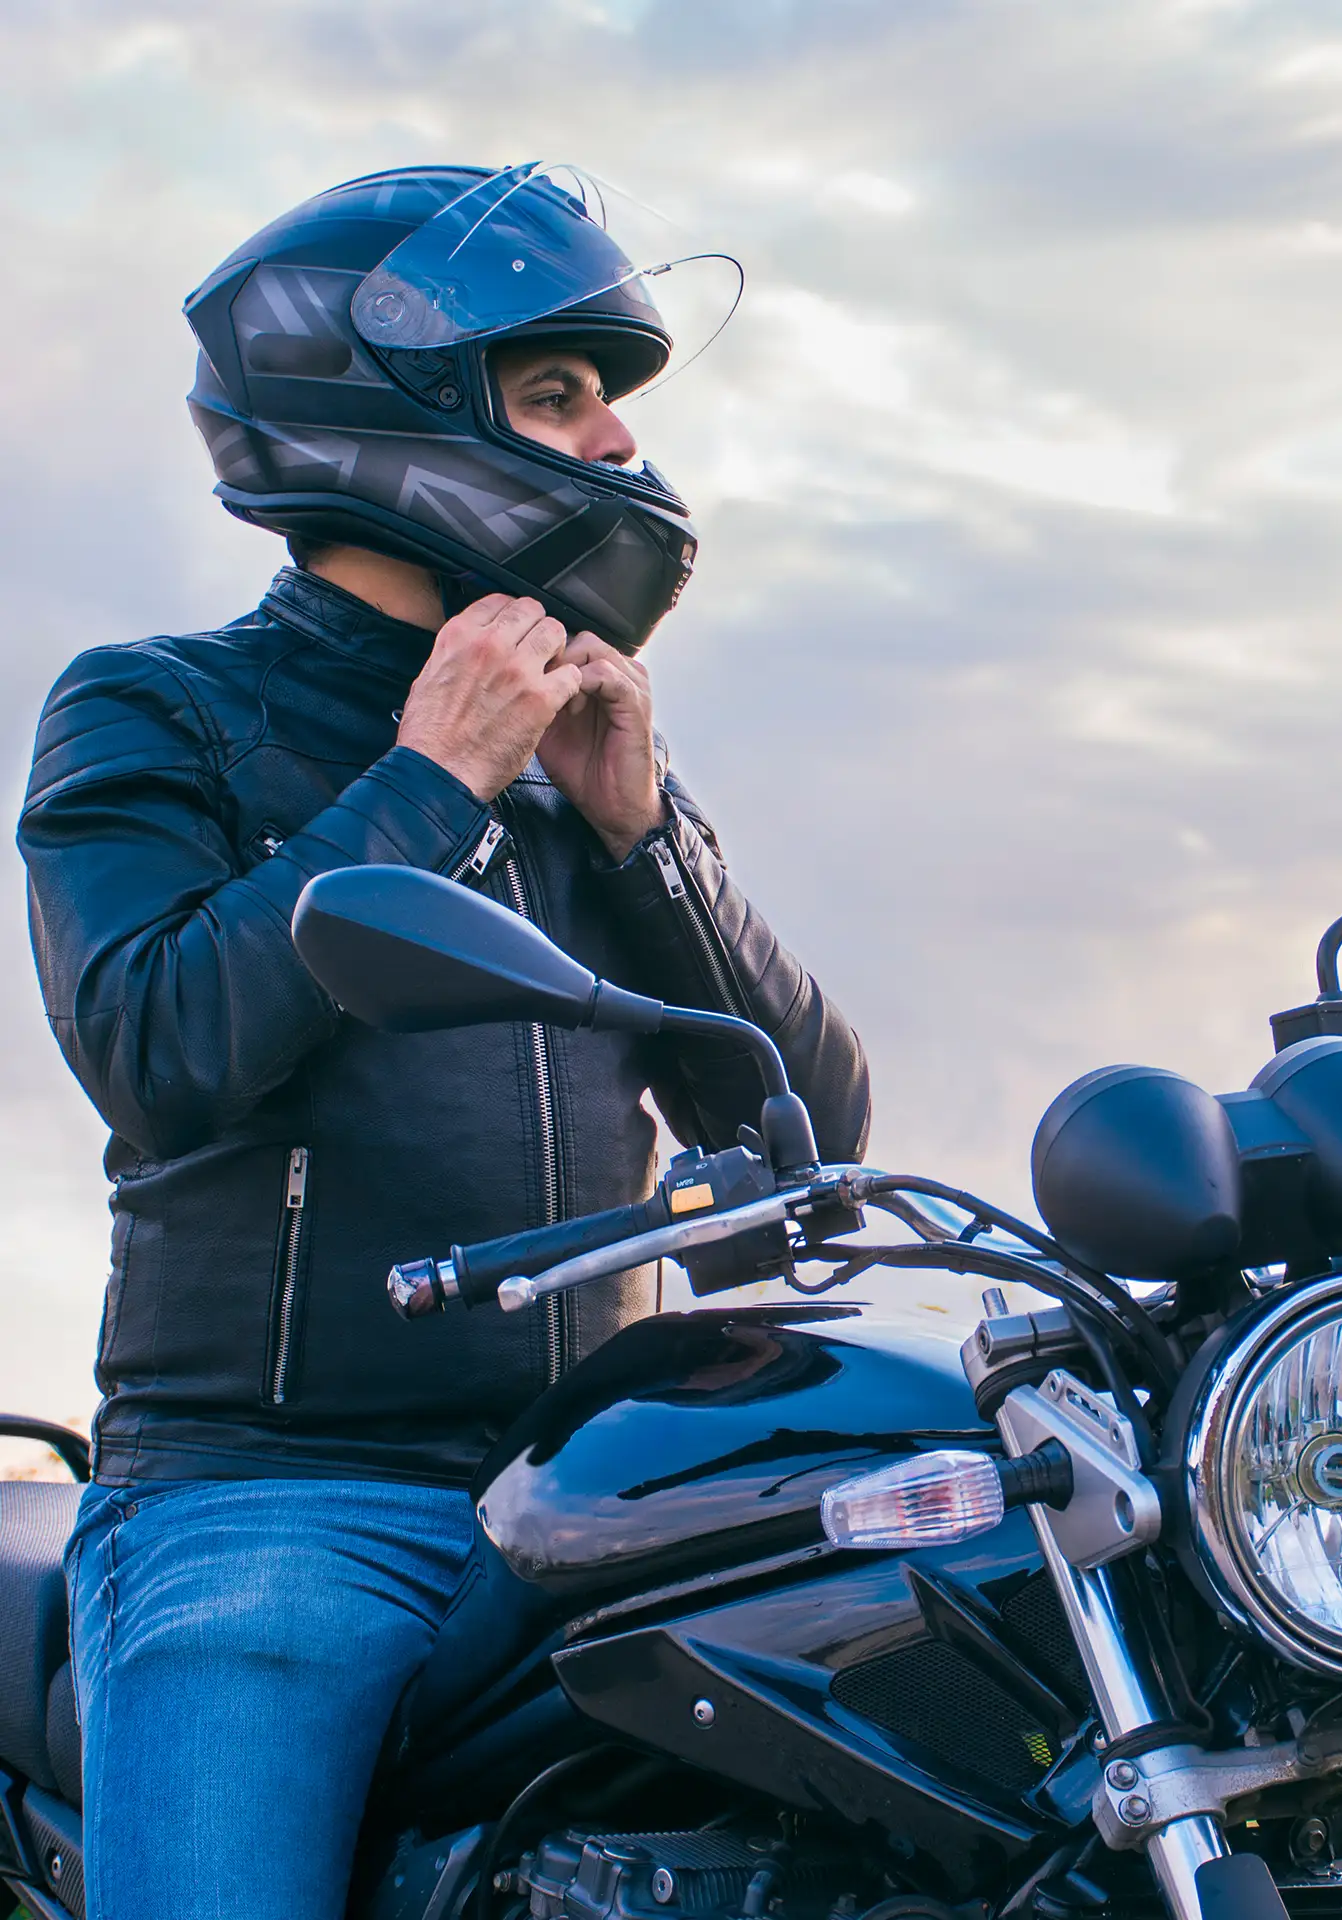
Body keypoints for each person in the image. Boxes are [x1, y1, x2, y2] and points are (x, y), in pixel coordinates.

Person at [15, 163, 870, 1920]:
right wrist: (429, 778)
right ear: (376, 413)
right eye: (557, 394)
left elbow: (815, 1144)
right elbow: (156, 1039)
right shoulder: (158, 705)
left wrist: (647, 841)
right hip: (269, 1512)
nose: (618, 442)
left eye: (613, 397)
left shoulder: (580, 766)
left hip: (589, 1496)